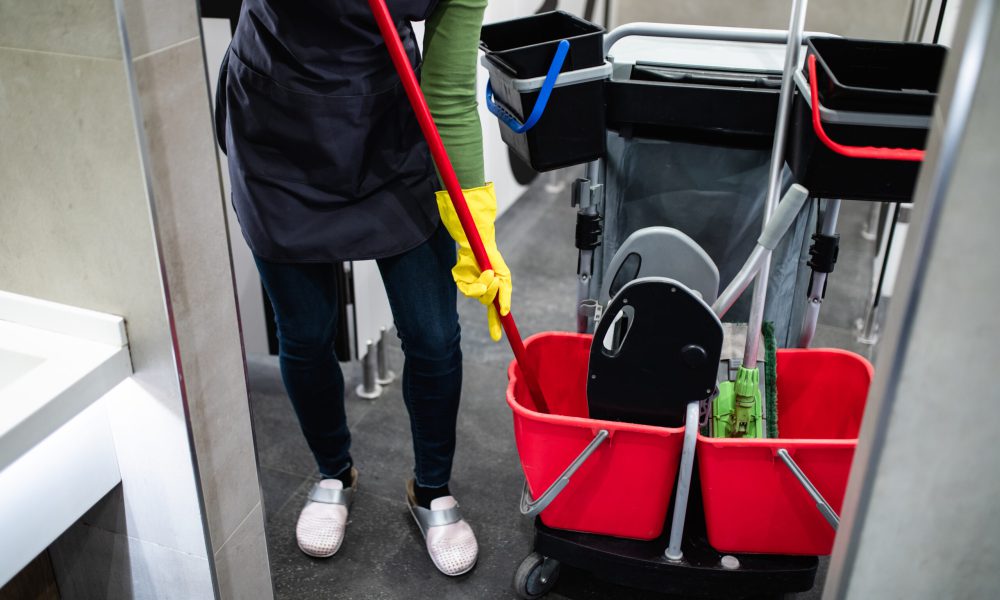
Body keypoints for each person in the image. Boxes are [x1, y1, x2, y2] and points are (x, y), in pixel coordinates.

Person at [215, 0, 508, 577]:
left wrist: (474, 217)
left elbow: (447, 89)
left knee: (433, 335)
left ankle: (431, 491)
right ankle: (333, 473)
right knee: (304, 331)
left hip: (388, 128)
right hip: (276, 128)